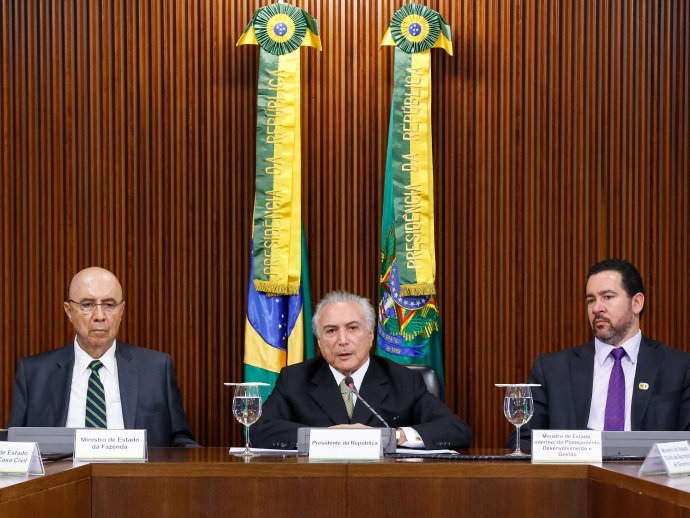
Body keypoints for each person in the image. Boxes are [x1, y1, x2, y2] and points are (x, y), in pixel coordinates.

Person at [251, 290, 472, 450]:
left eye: (353, 328)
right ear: (319, 342)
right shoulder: (295, 379)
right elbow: (259, 430)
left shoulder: (403, 380)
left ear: (370, 334)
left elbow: (456, 430)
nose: (342, 340)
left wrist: (392, 436)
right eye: (331, 331)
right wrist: (323, 437)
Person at [7, 266, 198, 447]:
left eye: (109, 304)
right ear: (69, 311)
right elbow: (14, 449)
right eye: (87, 305)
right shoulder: (34, 374)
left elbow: (180, 443)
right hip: (62, 480)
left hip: (134, 479)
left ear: (121, 311)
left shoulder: (156, 369)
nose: (100, 316)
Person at [513, 258, 690, 449]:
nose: (596, 308)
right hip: (575, 476)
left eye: (607, 297)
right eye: (591, 300)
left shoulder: (678, 368)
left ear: (636, 303)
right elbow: (522, 443)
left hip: (648, 477)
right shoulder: (551, 370)